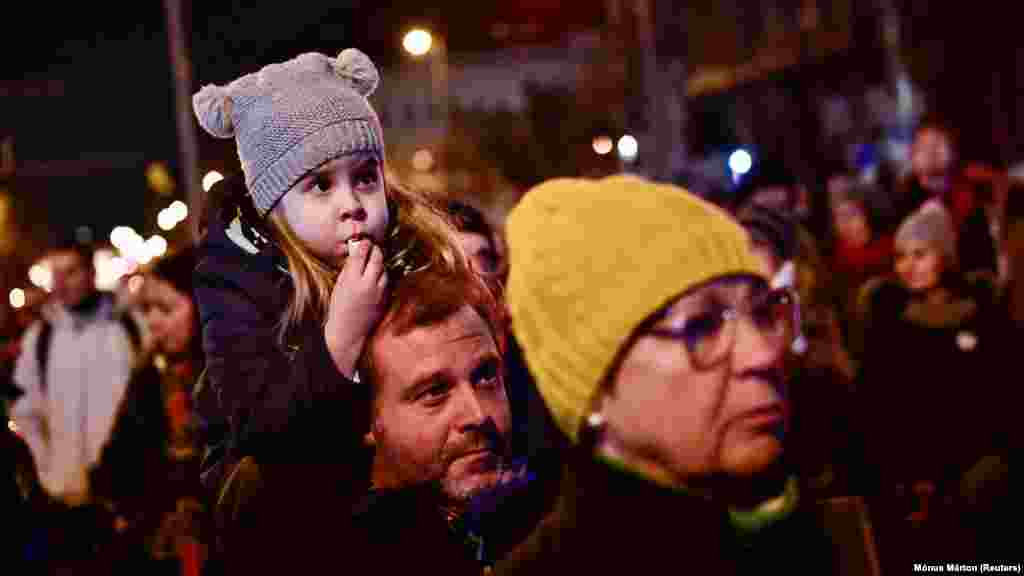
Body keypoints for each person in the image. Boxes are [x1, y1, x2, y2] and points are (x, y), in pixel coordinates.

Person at [495, 175, 843, 572]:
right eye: (703, 326)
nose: (762, 354)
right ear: (591, 390)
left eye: (763, 312)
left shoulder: (805, 529)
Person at [190, 48, 459, 489]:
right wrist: (340, 337)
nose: (351, 204)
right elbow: (261, 429)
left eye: (366, 178)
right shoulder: (237, 280)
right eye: (320, 185)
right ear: (274, 205)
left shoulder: (415, 253)